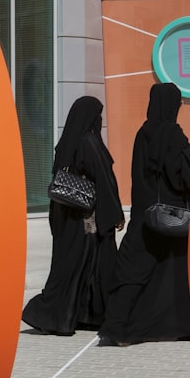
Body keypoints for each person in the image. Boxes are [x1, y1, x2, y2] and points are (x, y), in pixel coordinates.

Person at [99, 83, 190, 346]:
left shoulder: (142, 134)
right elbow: (185, 176)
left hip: (146, 217)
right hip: (174, 218)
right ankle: (180, 326)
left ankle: (117, 328)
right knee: (175, 273)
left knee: (131, 272)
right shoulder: (174, 135)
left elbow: (140, 174)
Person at [23, 96, 125, 335]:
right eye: (98, 116)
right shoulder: (90, 142)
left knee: (79, 267)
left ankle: (83, 315)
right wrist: (115, 214)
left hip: (67, 217)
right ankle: (49, 315)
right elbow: (103, 181)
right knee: (79, 268)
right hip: (85, 221)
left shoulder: (67, 143)